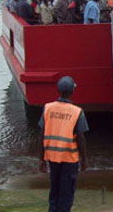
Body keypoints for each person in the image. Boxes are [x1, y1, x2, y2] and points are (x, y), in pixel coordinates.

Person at [38, 76, 89, 212]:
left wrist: (41, 159)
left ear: (58, 90)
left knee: (54, 189)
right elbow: (80, 138)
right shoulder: (77, 112)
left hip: (52, 157)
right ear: (72, 92)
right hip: (69, 158)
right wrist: (84, 159)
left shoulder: (47, 108)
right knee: (66, 192)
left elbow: (42, 135)